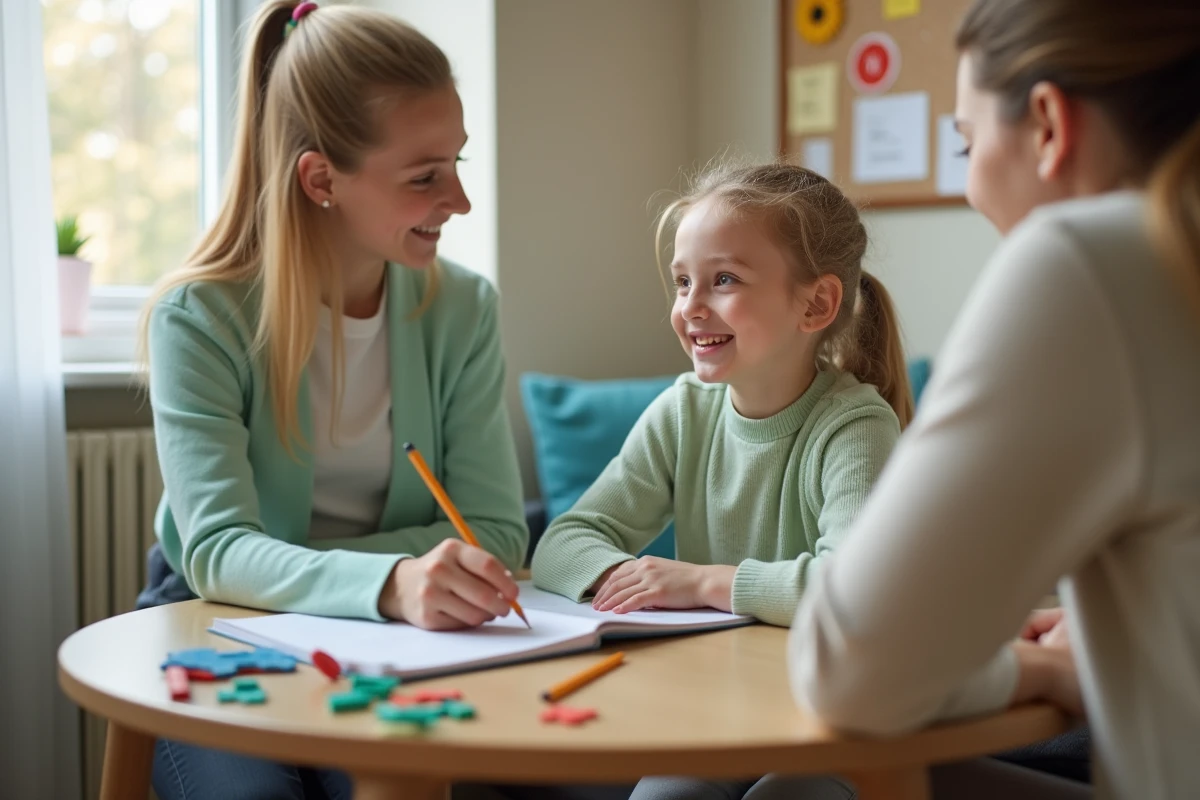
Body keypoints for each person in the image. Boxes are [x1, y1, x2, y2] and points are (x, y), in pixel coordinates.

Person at [788, 1, 1200, 798]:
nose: (973, 185)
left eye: (968, 144)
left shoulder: (1098, 261)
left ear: (1048, 124)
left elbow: (849, 671)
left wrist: (1042, 670)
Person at [134, 3, 527, 798]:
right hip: (215, 625)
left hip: (407, 633)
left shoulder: (464, 310)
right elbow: (216, 554)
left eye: (458, 162)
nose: (460, 200)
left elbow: (494, 529)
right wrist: (392, 581)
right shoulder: (199, 319)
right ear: (320, 179)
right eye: (425, 176)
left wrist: (401, 587)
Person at [531, 161, 913, 800]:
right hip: (721, 711)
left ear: (816, 303)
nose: (690, 308)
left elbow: (856, 595)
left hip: (841, 723)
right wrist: (631, 582)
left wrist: (702, 583)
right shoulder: (684, 411)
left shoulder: (855, 425)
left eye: (725, 280)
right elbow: (563, 540)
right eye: (683, 282)